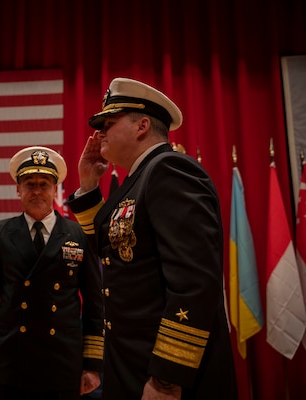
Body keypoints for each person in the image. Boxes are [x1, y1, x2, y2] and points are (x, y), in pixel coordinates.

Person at [67, 77, 238, 399]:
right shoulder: (141, 178)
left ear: (142, 125)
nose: (100, 132)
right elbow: (109, 250)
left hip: (166, 372)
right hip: (132, 361)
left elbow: (195, 283)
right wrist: (89, 186)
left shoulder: (170, 170)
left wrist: (167, 377)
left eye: (109, 122)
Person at [0, 146, 105, 400]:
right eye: (29, 183)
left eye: (44, 184)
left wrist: (91, 363)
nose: (36, 190)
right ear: (17, 189)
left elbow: (94, 305)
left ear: (55, 189)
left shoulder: (78, 234)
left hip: (63, 361)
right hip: (12, 360)